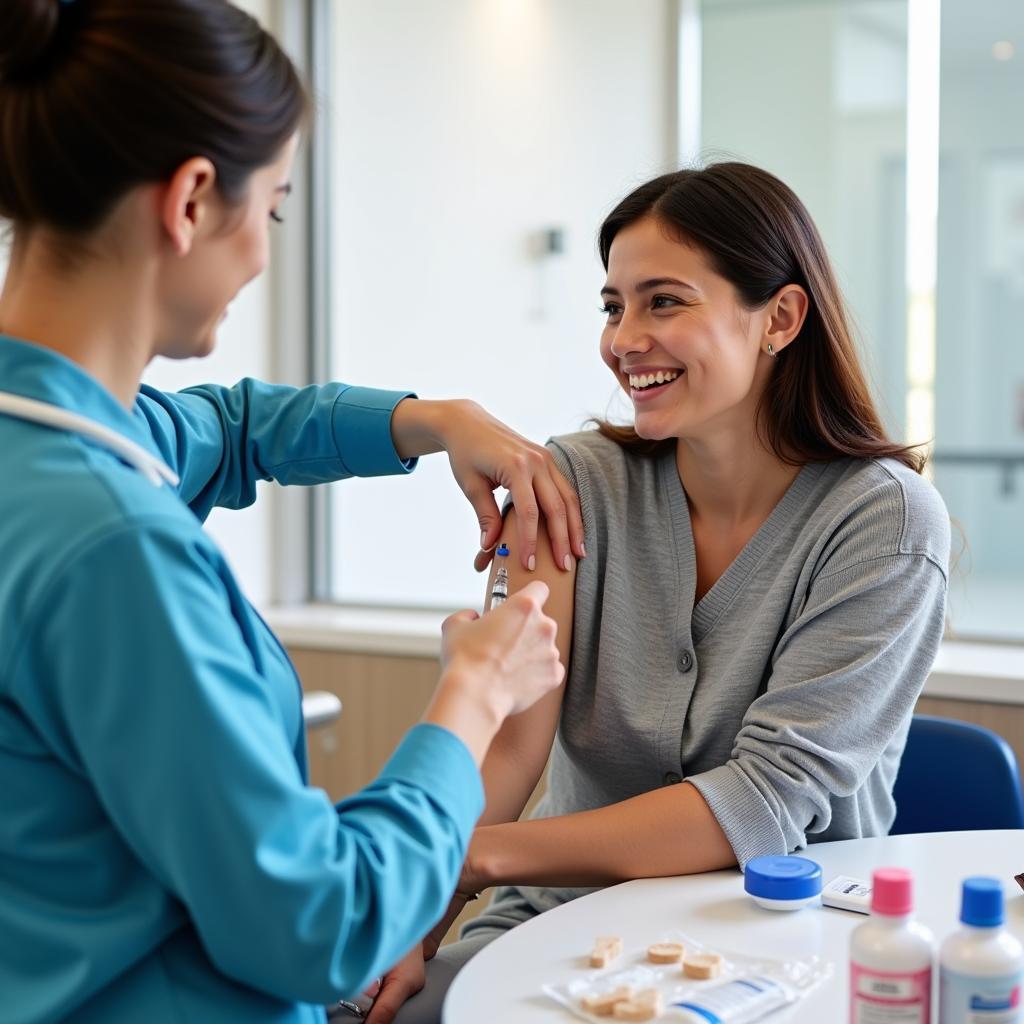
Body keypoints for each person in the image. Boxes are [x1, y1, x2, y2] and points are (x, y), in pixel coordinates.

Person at [0, 2, 587, 1023]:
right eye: (270, 210)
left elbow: (231, 428)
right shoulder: (114, 547)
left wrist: (429, 421)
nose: (266, 253)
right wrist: (473, 697)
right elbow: (320, 920)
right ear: (189, 201)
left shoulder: (61, 435)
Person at [391, 162, 951, 1022]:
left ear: (781, 318)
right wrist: (417, 915)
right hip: (558, 922)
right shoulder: (572, 482)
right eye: (613, 306)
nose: (624, 339)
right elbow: (510, 742)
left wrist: (471, 857)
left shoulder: (885, 522)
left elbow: (764, 800)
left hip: (783, 943)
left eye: (664, 301)